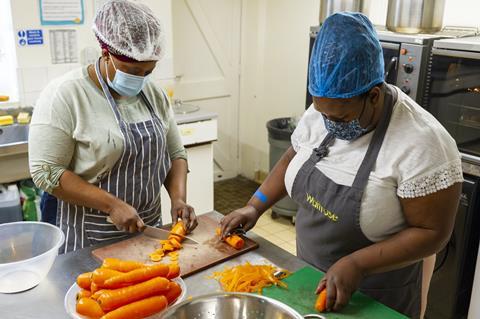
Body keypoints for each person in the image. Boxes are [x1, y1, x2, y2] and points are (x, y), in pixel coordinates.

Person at [220, 12, 462, 318]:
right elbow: (294, 155)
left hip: (375, 299)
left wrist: (358, 264)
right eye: (322, 114)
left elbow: (432, 233)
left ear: (374, 95)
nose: (329, 126)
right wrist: (256, 205)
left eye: (341, 118)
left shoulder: (421, 144)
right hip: (309, 283)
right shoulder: (325, 109)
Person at [29, 0, 197, 254]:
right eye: (132, 70)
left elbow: (175, 154)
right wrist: (111, 205)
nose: (140, 80)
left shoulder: (153, 93)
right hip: (88, 234)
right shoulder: (66, 94)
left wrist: (178, 199)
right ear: (106, 52)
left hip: (147, 228)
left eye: (147, 72)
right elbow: (46, 172)